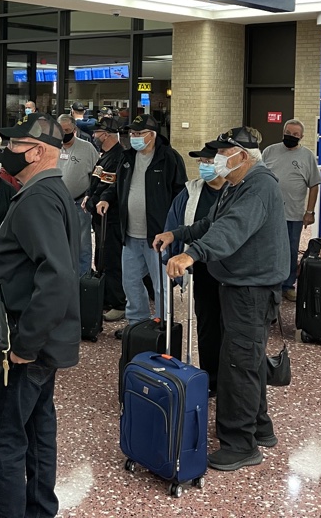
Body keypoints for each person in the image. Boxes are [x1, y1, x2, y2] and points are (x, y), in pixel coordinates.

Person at [153, 126, 288, 472]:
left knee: (238, 363)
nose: (214, 160)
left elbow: (232, 229)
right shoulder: (237, 184)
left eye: (222, 153)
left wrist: (192, 255)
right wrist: (177, 235)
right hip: (239, 284)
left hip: (251, 289)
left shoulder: (259, 186)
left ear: (242, 156)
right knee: (250, 359)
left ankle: (240, 444)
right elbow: (211, 223)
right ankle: (259, 426)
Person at [0, 112, 80, 518]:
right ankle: (40, 509)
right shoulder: (51, 191)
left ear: (38, 151)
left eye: (13, 145)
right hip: (47, 341)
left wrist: (24, 345)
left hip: (28, 344)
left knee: (5, 436)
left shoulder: (38, 199)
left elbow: (57, 278)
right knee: (39, 430)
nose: (6, 152)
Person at [95, 114, 188, 338]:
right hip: (129, 233)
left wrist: (174, 229)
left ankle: (164, 325)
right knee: (131, 282)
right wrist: (107, 197)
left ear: (152, 135)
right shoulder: (127, 158)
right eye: (132, 134)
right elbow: (117, 184)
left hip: (157, 236)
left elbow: (181, 195)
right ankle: (137, 323)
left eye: (139, 134)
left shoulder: (169, 158)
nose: (134, 138)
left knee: (161, 285)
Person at [162, 141, 228, 394]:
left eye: (210, 162)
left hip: (232, 268)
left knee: (230, 324)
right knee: (207, 323)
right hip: (200, 266)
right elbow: (176, 223)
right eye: (201, 162)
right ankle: (211, 379)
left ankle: (230, 379)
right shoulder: (191, 191)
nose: (205, 167)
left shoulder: (236, 192)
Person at [261, 118, 321, 302]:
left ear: (301, 137)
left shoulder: (307, 156)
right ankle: (269, 284)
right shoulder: (270, 151)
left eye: (295, 134)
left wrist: (310, 212)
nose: (291, 136)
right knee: (269, 249)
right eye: (288, 133)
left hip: (293, 213)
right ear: (283, 133)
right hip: (268, 213)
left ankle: (287, 285)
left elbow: (314, 185)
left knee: (290, 250)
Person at [84, 118, 127, 321]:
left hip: (110, 217)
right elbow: (97, 181)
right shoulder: (105, 156)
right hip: (99, 217)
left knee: (112, 259)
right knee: (101, 258)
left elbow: (111, 188)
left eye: (97, 133)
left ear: (107, 134)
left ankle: (118, 302)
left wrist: (95, 200)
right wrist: (88, 196)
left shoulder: (118, 157)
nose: (94, 136)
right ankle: (106, 296)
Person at [57, 114, 99, 277]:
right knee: (59, 242)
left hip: (79, 202)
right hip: (57, 203)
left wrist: (91, 197)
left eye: (67, 130)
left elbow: (96, 174)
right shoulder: (52, 147)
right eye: (61, 130)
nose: (64, 133)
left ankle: (83, 278)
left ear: (74, 130)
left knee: (82, 244)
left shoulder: (87, 148)